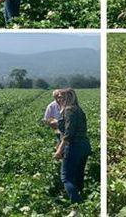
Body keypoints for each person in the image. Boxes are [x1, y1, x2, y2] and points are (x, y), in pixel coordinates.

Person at [54, 88, 91, 216]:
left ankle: (77, 208)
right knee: (77, 176)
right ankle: (83, 203)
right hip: (84, 146)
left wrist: (60, 149)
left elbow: (69, 133)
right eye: (58, 97)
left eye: (62, 97)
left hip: (74, 146)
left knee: (66, 177)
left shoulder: (69, 110)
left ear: (69, 97)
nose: (59, 99)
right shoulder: (79, 109)